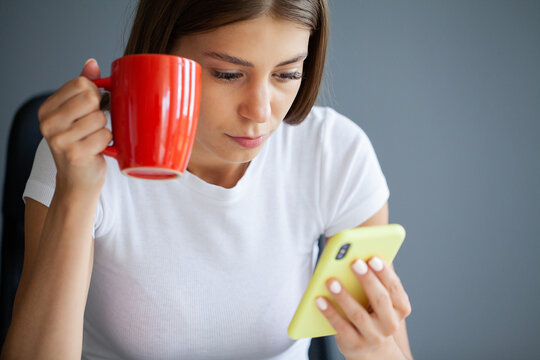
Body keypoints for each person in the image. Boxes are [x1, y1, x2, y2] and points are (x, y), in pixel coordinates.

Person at [2, 0, 413, 359]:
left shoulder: (333, 153)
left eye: (286, 74)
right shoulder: (81, 155)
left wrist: (375, 350)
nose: (260, 112)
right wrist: (76, 193)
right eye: (227, 74)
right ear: (161, 55)